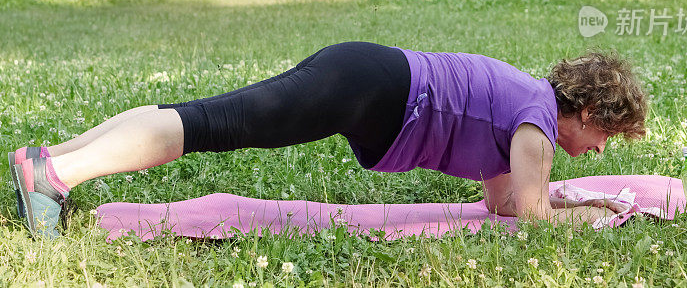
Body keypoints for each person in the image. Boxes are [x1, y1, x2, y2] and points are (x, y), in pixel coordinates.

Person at [9, 42, 648, 239]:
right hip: (369, 86)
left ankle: (53, 160)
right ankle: (61, 175)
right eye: (605, 133)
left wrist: (564, 200)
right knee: (212, 124)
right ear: (585, 108)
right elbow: (530, 224)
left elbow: (506, 206)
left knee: (205, 116)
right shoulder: (537, 125)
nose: (598, 149)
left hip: (367, 77)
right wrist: (595, 213)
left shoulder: (529, 113)